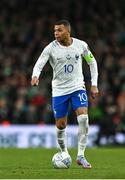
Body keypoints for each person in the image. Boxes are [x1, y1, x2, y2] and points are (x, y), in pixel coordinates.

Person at [31, 20, 99, 169]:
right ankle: (64, 152)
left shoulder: (81, 45)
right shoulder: (50, 48)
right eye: (55, 30)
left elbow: (92, 63)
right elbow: (40, 63)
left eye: (59, 30)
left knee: (83, 118)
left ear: (68, 32)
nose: (56, 33)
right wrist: (35, 76)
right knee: (61, 125)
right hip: (59, 91)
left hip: (77, 87)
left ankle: (81, 155)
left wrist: (94, 84)